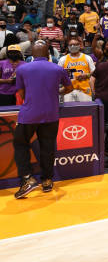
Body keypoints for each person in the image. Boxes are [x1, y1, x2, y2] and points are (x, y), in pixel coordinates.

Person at [12, 42, 73, 199]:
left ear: (32, 54)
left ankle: (27, 178)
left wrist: (32, 102)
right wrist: (56, 92)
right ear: (48, 54)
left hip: (29, 114)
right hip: (51, 114)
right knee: (47, 147)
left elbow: (21, 92)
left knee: (20, 144)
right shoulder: (58, 68)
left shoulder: (22, 68)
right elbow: (69, 88)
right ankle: (47, 180)